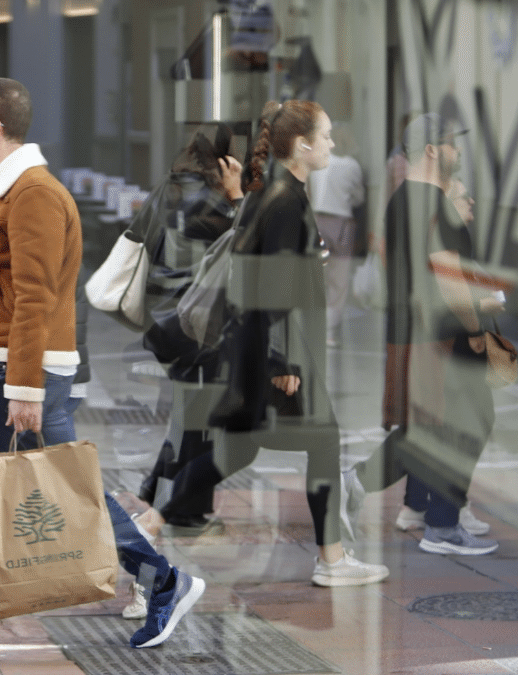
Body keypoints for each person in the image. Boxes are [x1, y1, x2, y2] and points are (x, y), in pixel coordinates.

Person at [0, 78, 204, 649]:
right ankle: (158, 582)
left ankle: (162, 581)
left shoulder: (32, 192)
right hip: (0, 364)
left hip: (16, 369)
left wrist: (24, 384)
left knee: (65, 492)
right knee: (45, 490)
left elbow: (34, 296)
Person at [164, 100, 390, 587]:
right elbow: (268, 287)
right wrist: (283, 358)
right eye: (325, 137)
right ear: (303, 145)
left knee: (241, 451)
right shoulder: (285, 199)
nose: (331, 144)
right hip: (280, 356)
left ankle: (158, 515)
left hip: (262, 352)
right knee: (321, 443)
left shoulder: (278, 193)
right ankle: (331, 560)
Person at [341, 114, 501, 556]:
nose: (458, 152)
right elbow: (449, 281)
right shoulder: (435, 205)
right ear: (431, 150)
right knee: (461, 422)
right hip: (441, 337)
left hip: (410, 332)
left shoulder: (399, 201)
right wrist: (475, 326)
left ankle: (409, 506)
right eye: (451, 144)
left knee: (426, 427)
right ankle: (442, 525)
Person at [137, 123, 244, 532]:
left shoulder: (170, 187)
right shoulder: (209, 200)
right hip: (193, 324)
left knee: (191, 417)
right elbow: (247, 240)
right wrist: (236, 196)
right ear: (223, 160)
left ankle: (173, 500)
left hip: (164, 318)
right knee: (196, 422)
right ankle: (171, 506)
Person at [308, 125, 365, 347]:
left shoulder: (318, 162)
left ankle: (315, 327)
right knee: (338, 280)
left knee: (318, 277)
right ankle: (330, 333)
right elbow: (359, 198)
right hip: (341, 223)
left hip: (317, 221)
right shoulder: (352, 166)